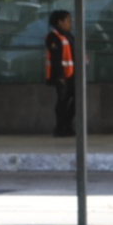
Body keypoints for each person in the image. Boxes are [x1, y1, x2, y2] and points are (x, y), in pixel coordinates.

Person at [44, 9, 76, 138]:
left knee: (77, 100)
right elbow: (56, 58)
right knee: (62, 101)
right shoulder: (54, 37)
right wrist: (60, 76)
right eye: (68, 21)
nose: (70, 23)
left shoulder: (68, 36)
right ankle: (60, 127)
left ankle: (67, 124)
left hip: (72, 74)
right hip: (62, 76)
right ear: (60, 22)